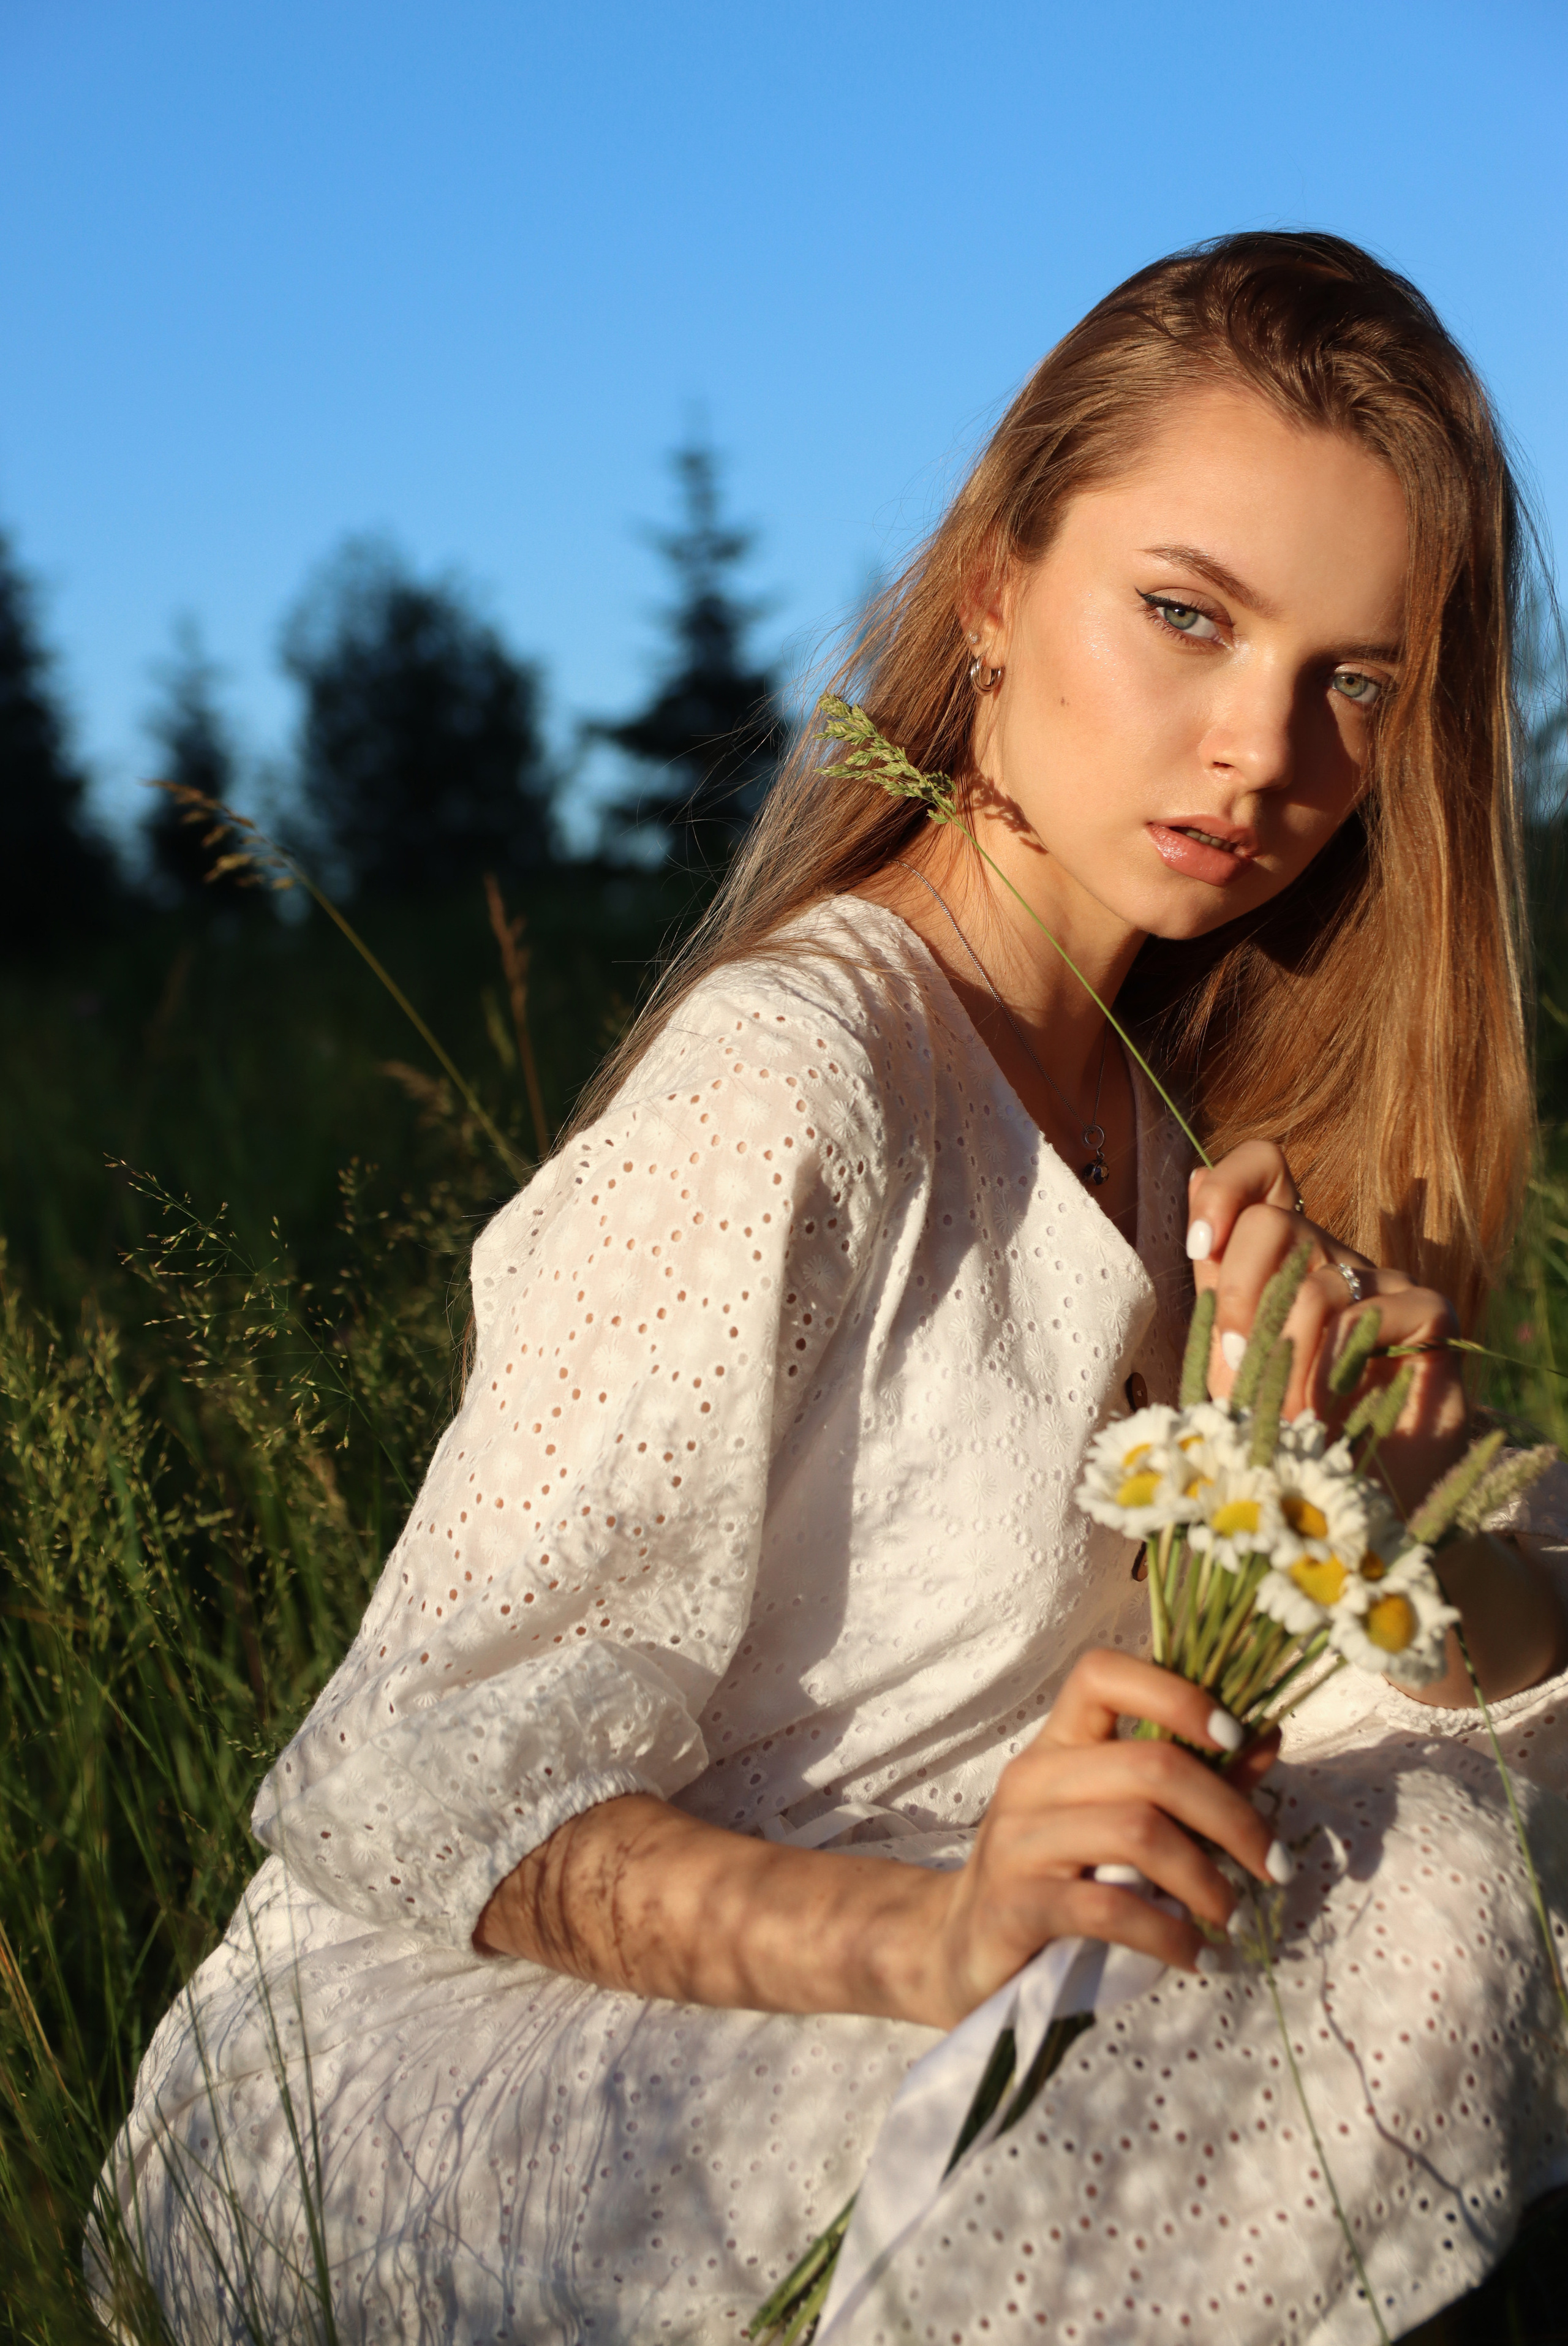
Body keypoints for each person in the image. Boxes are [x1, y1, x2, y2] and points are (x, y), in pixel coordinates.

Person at [99, 232, 1568, 2345]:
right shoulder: (796, 1081)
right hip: (499, 2035)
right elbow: (424, 1777)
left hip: (967, 1935)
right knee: (1183, 2067)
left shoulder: (1202, 1123)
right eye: (1186, 615)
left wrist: (1408, 1513)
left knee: (1437, 1855)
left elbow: (1449, 1708)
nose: (1262, 750)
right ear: (993, 593)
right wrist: (930, 1942)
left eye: (1360, 681)